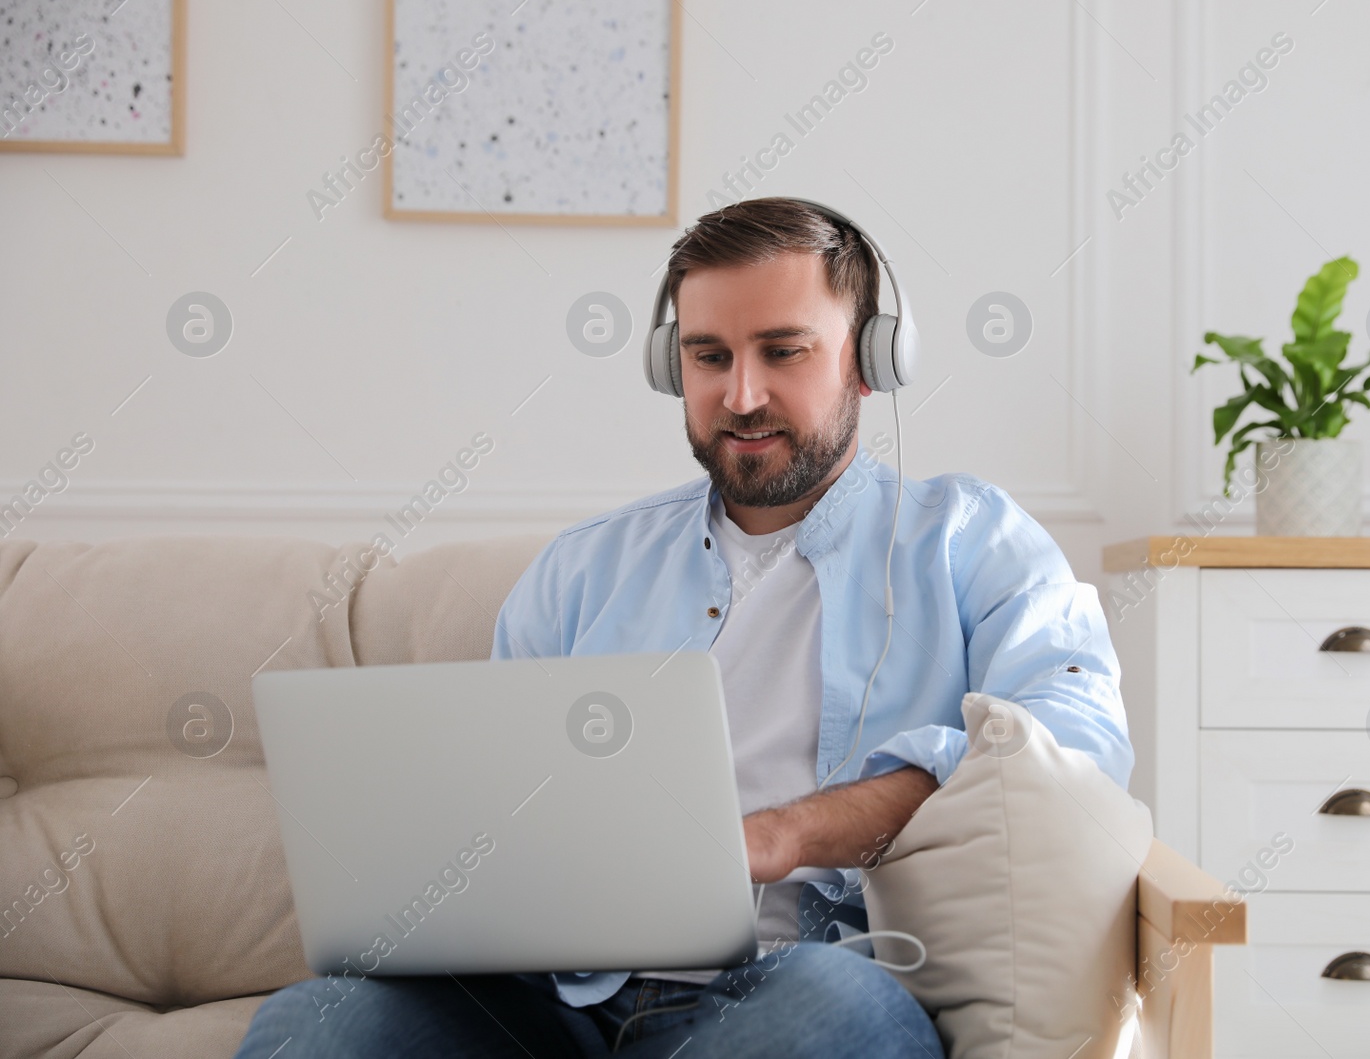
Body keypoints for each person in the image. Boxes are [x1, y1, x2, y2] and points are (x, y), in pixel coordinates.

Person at [234, 197, 1132, 1058]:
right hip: (556, 1001)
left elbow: (1074, 743)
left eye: (783, 352)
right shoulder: (583, 569)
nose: (742, 395)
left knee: (837, 1016)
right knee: (320, 1022)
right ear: (673, 367)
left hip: (794, 984)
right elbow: (494, 805)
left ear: (870, 359)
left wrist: (786, 834)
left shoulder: (972, 541)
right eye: (709, 357)